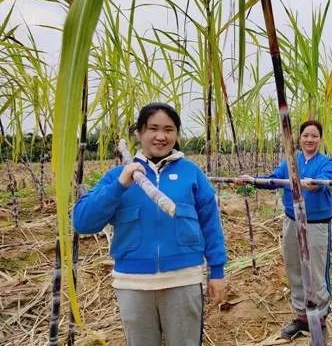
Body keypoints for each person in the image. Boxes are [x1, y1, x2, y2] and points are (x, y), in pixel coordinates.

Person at [73, 102, 226, 346]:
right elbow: (83, 221)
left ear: (176, 134)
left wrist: (217, 272)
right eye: (153, 128)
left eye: (169, 129)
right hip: (133, 284)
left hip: (183, 280)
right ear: (139, 133)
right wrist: (120, 185)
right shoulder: (118, 176)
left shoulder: (191, 173)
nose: (161, 136)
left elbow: (210, 224)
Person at [240, 120, 332, 341]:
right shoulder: (291, 162)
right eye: (306, 135)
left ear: (320, 139)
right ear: (299, 139)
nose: (309, 139)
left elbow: (327, 178)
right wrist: (253, 180)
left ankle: (320, 319)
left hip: (315, 224)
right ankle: (302, 317)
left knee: (316, 271)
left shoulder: (325, 162)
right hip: (292, 221)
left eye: (314, 136)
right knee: (294, 268)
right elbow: (274, 180)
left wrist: (316, 182)